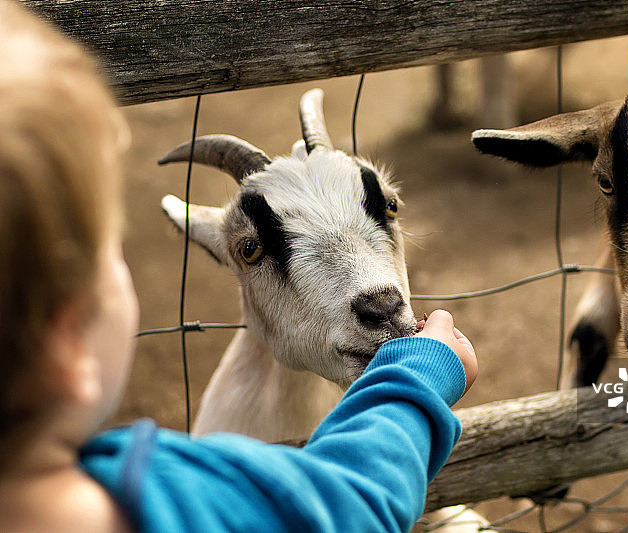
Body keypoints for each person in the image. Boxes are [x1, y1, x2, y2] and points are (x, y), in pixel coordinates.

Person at [0, 2, 479, 532]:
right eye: (250, 249)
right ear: (68, 336)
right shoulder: (186, 495)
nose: (378, 295)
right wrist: (417, 378)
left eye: (385, 208)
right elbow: (354, 500)